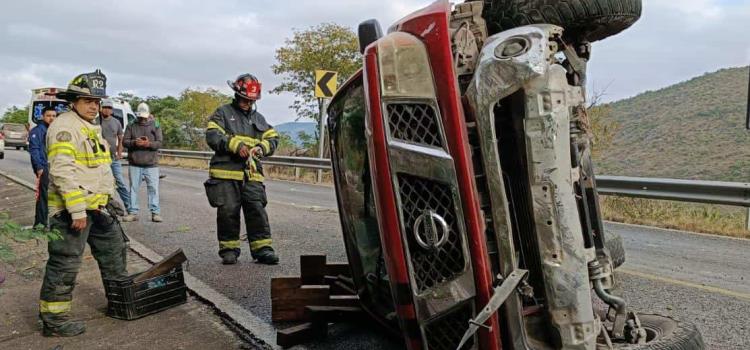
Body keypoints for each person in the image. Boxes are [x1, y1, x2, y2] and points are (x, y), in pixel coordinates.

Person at [40, 69, 127, 337]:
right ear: (73, 102)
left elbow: (100, 170)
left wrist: (113, 200)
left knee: (115, 254)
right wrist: (76, 209)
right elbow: (62, 172)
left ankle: (121, 304)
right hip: (71, 211)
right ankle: (54, 321)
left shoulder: (92, 127)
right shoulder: (64, 128)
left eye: (97, 101)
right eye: (88, 100)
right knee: (65, 263)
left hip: (98, 207)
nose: (94, 106)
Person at [204, 73, 279, 265]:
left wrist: (262, 148)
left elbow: (273, 138)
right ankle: (229, 249)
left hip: (251, 174)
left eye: (251, 100)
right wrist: (235, 145)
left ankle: (262, 249)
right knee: (228, 211)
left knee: (256, 209)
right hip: (225, 174)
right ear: (237, 95)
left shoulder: (259, 118)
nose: (247, 103)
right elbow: (212, 135)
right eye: (245, 99)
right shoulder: (222, 113)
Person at [121, 103, 163, 223]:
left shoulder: (156, 124)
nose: (142, 119)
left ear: (148, 115)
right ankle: (133, 212)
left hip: (151, 163)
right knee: (133, 188)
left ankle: (155, 212)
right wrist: (135, 142)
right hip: (135, 162)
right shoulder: (131, 125)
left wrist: (148, 144)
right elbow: (125, 142)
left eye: (144, 117)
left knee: (153, 188)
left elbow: (159, 143)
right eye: (140, 117)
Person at [99, 99, 130, 213]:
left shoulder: (116, 122)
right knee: (102, 184)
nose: (107, 110)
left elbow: (120, 138)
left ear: (112, 110)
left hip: (113, 158)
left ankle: (130, 208)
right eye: (105, 107)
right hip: (100, 158)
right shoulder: (96, 121)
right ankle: (104, 208)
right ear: (101, 108)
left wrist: (119, 153)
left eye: (109, 108)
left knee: (120, 182)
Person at [28, 106, 57, 228]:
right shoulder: (37, 131)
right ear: (43, 116)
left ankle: (48, 223)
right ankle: (40, 224)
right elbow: (34, 150)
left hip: (53, 167)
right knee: (43, 197)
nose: (51, 118)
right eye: (48, 116)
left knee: (53, 196)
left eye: (54, 116)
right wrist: (39, 167)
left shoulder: (53, 130)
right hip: (44, 167)